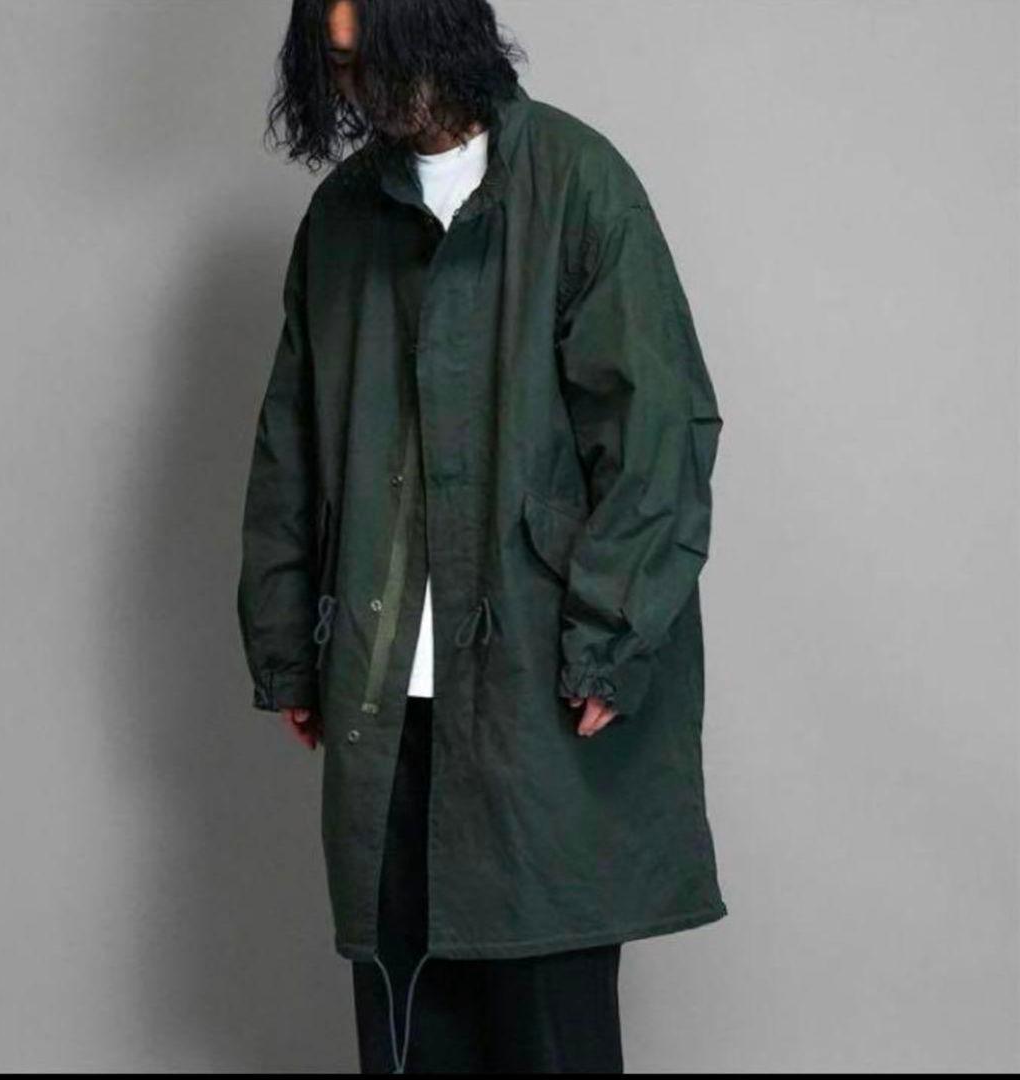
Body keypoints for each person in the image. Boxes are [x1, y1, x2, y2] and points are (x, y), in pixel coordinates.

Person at [237, 0, 728, 1072]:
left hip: (535, 692)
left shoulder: (575, 183)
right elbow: (290, 445)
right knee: (409, 1028)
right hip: (380, 695)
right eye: (338, 65)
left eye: (378, 56)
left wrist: (608, 638)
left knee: (549, 1028)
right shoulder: (342, 217)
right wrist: (287, 651)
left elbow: (655, 433)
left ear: (442, 27)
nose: (361, 86)